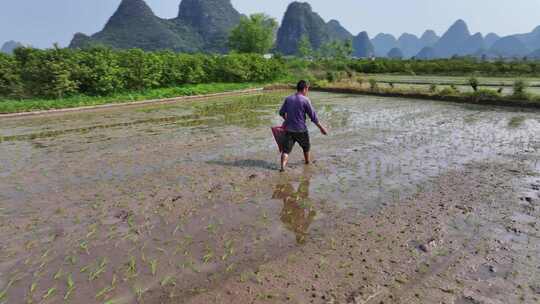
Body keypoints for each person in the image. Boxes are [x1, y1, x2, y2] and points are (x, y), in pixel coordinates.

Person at [278, 80, 328, 172]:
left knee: (286, 150)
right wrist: (322, 128)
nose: (307, 91)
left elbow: (281, 113)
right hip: (301, 130)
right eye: (308, 89)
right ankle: (307, 162)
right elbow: (313, 117)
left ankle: (282, 167)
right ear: (305, 89)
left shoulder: (288, 99)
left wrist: (288, 119)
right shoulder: (305, 100)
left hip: (289, 129)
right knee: (306, 147)